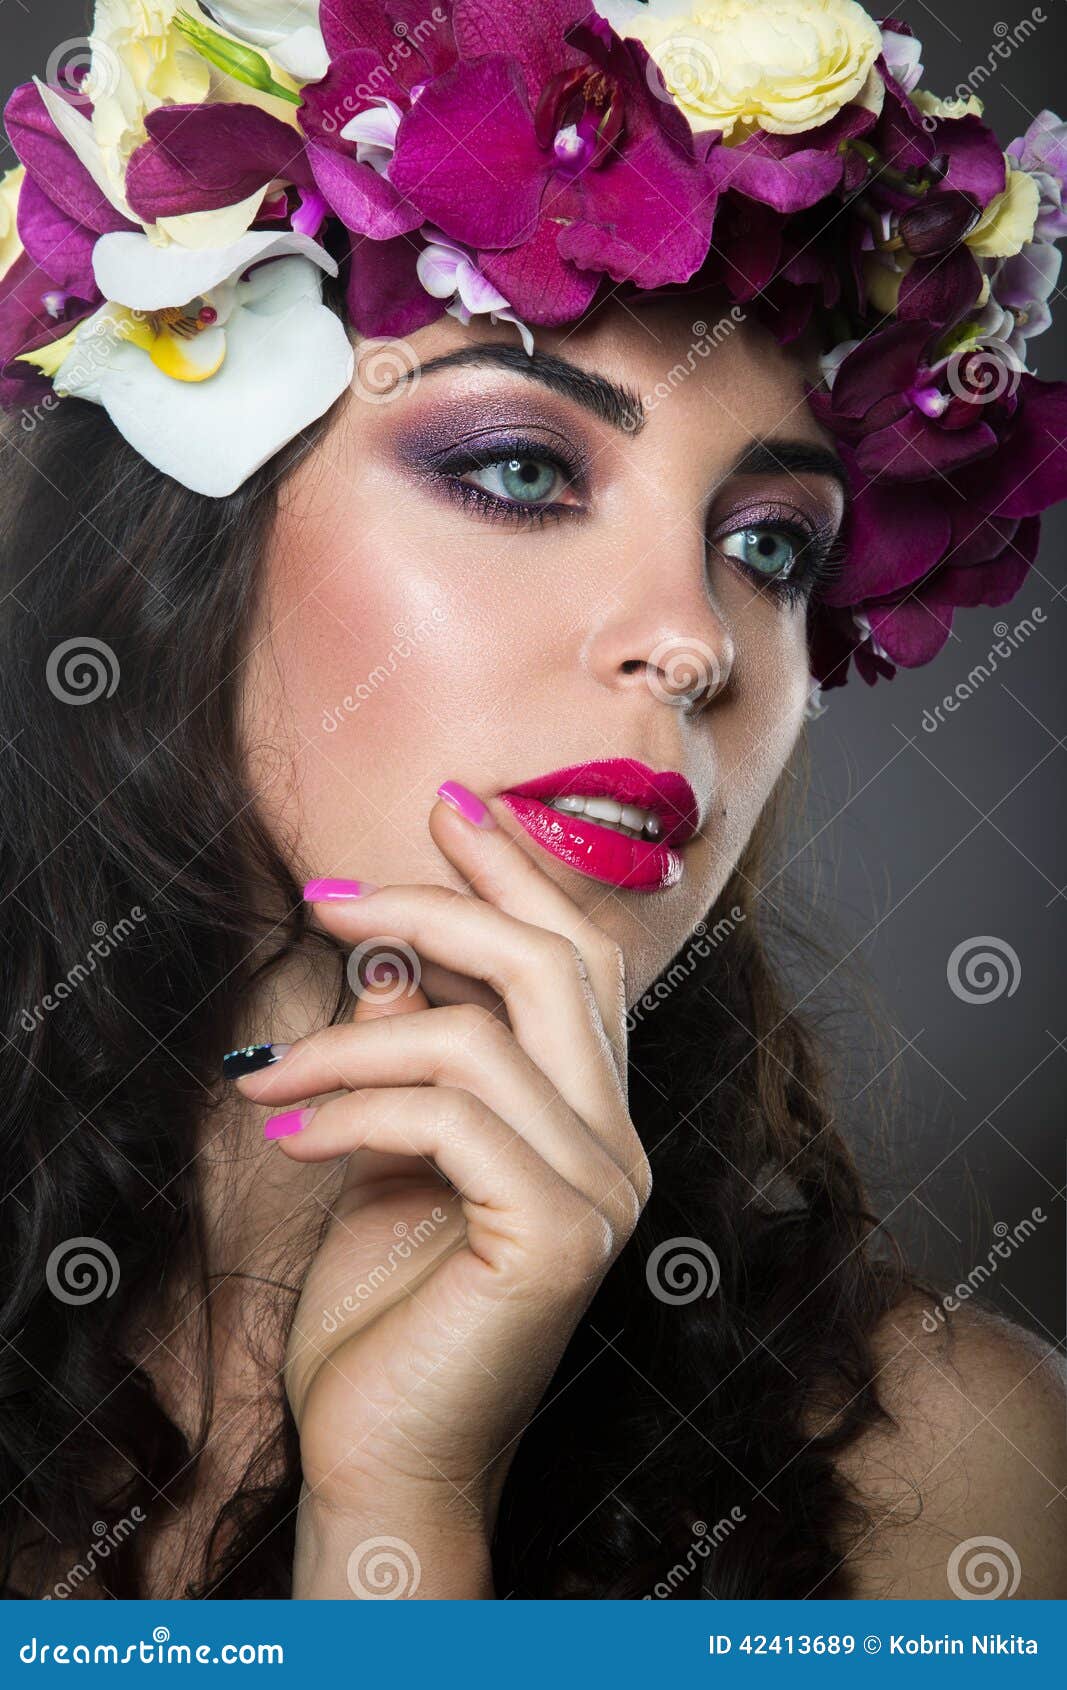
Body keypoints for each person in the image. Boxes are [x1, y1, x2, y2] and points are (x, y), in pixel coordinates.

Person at [1, 0, 1064, 1601]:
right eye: (518, 470)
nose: (697, 641)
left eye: (770, 543)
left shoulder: (961, 1472)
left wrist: (403, 1509)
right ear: (182, 548)